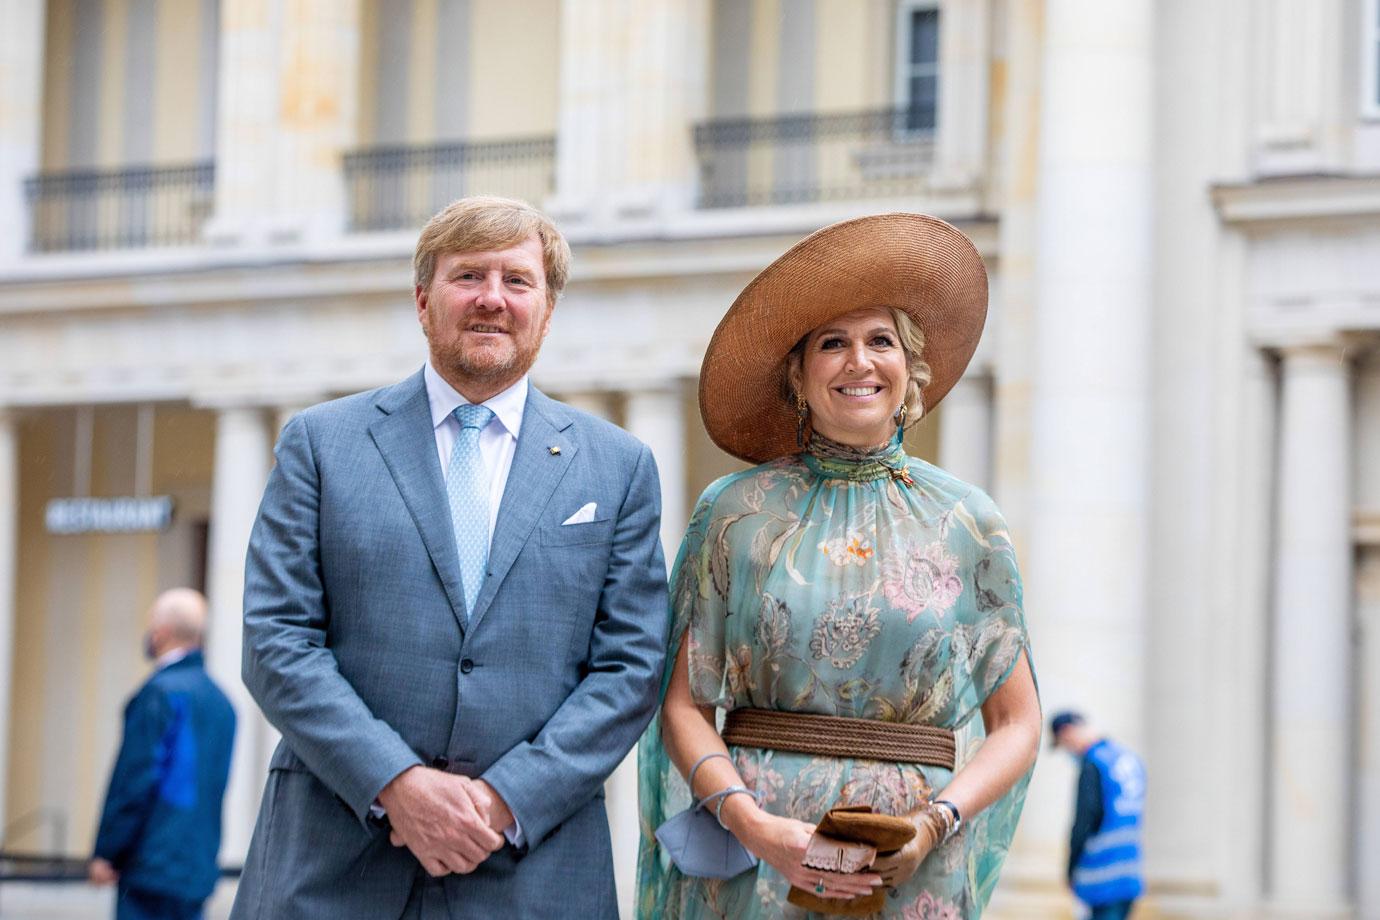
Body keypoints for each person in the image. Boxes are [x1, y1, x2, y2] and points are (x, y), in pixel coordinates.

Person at [230, 196, 669, 919]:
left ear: (548, 310)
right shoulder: (321, 444)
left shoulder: (616, 467)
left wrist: (501, 801)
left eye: (518, 281)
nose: (492, 299)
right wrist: (395, 783)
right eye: (468, 276)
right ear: (423, 299)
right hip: (332, 867)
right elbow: (276, 640)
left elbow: (630, 667)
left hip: (533, 873)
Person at [637, 213, 1041, 919]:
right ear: (798, 374)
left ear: (910, 368)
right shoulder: (735, 514)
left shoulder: (968, 521)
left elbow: (1017, 723)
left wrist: (933, 825)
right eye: (833, 343)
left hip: (914, 863)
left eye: (879, 340)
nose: (859, 362)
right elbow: (682, 705)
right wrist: (752, 825)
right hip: (760, 856)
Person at [89, 588, 236, 920]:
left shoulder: (158, 694)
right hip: (196, 868)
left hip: (149, 868)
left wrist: (108, 852)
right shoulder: (223, 704)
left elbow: (136, 779)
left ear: (161, 632)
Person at [1049, 711, 1145, 920]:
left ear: (1067, 732)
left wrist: (1071, 869)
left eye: (1063, 743)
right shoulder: (1126, 757)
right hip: (1129, 872)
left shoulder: (1093, 763)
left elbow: (1085, 819)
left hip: (1102, 876)